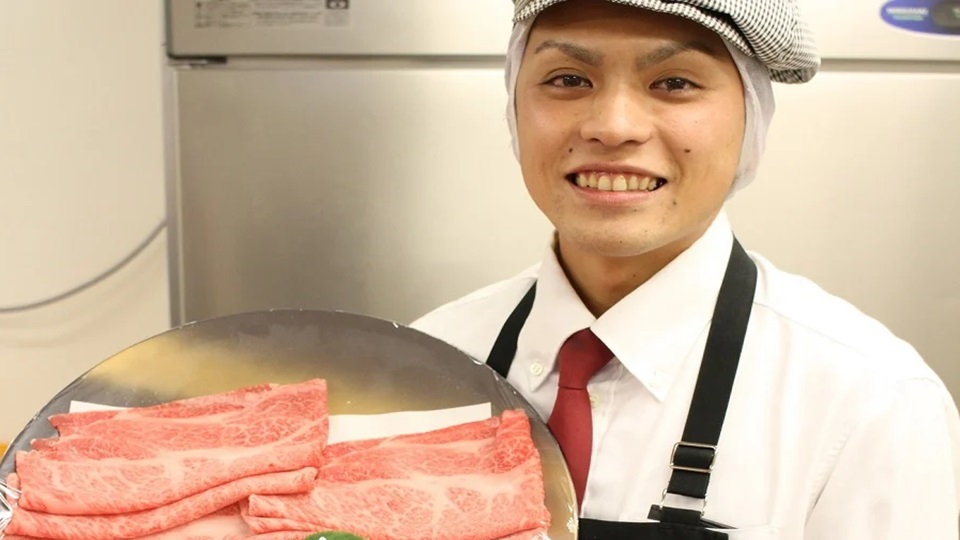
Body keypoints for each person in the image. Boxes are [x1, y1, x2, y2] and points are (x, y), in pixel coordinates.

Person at [410, 0, 960, 538]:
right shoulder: (421, 363)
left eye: (674, 83)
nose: (613, 127)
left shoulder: (869, 405)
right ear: (514, 109)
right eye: (568, 80)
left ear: (751, 118)